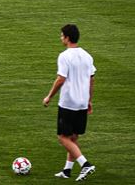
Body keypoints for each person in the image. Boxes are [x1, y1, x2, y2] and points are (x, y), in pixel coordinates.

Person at [43, 24, 96, 181]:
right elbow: (91, 79)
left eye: (61, 35)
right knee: (73, 137)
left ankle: (85, 164)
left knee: (63, 137)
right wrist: (89, 100)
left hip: (68, 103)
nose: (60, 38)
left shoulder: (64, 56)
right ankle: (67, 171)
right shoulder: (87, 56)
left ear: (67, 37)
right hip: (82, 102)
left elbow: (61, 79)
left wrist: (49, 97)